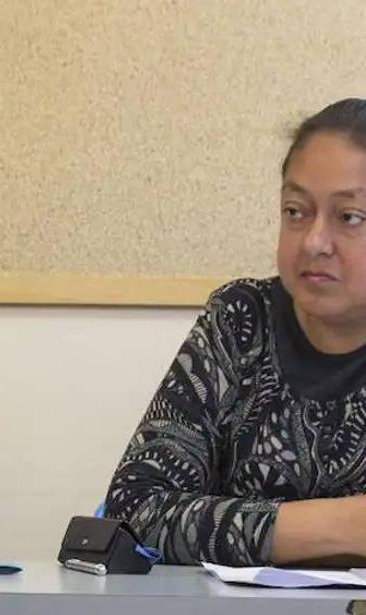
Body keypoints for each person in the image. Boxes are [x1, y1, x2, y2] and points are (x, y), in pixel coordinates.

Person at [106, 98, 366, 567]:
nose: (313, 241)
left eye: (349, 217)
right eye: (296, 211)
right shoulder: (241, 320)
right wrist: (344, 525)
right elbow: (135, 509)